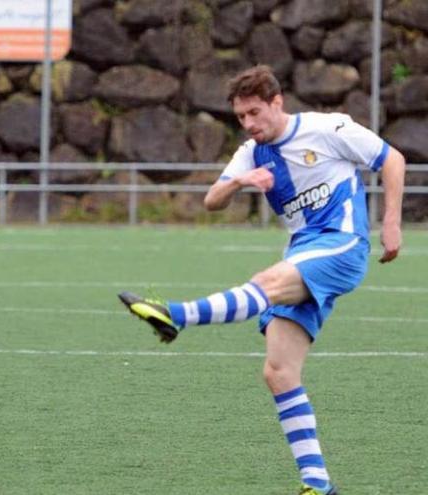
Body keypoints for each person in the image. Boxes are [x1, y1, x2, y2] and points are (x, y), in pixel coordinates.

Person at [118, 65, 404, 495]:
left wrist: (392, 223)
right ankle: (318, 485)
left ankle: (176, 315)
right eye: (241, 118)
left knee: (266, 281)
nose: (249, 124)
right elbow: (211, 200)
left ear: (277, 103)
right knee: (279, 371)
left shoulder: (329, 128)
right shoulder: (252, 152)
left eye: (255, 112)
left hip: (341, 246)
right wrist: (241, 181)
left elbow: (392, 159)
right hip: (302, 255)